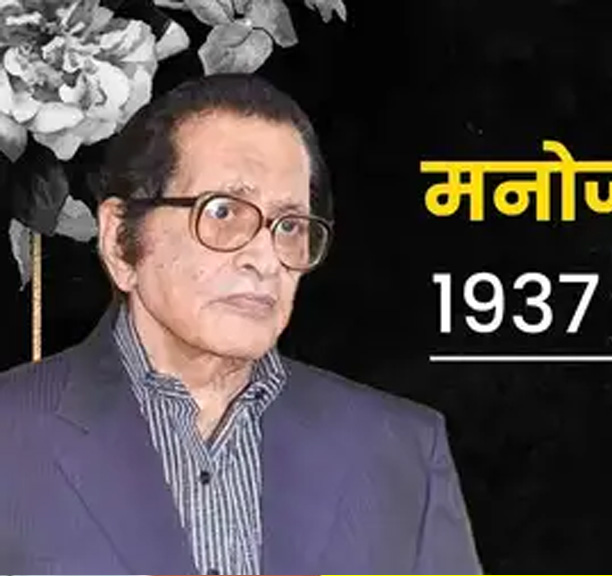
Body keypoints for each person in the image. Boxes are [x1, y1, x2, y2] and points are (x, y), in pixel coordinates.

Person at [0, 74, 483, 575]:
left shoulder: (400, 453)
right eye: (224, 211)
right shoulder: (11, 439)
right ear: (121, 240)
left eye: (289, 225)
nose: (265, 258)